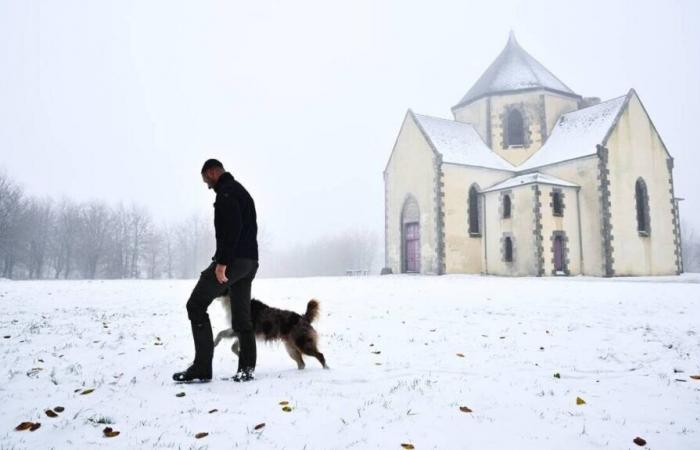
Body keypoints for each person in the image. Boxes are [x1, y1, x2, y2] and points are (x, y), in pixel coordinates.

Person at [172, 159, 259, 383]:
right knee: (242, 316)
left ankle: (202, 367)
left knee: (196, 305)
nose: (207, 185)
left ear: (212, 172)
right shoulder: (241, 191)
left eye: (206, 180)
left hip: (234, 261)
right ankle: (246, 368)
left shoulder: (227, 193)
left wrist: (222, 263)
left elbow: (232, 229)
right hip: (249, 262)